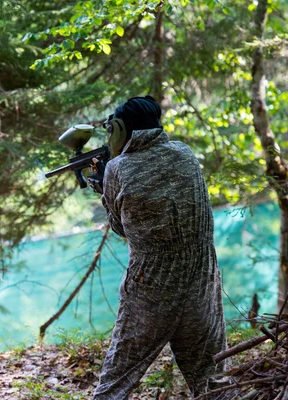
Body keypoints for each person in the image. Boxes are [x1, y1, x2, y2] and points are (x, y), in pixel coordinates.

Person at [88, 96, 227, 399]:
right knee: (213, 381)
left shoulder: (119, 168)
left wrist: (103, 184)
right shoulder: (185, 153)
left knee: (115, 383)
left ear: (121, 128)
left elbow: (120, 227)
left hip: (152, 285)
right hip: (200, 279)